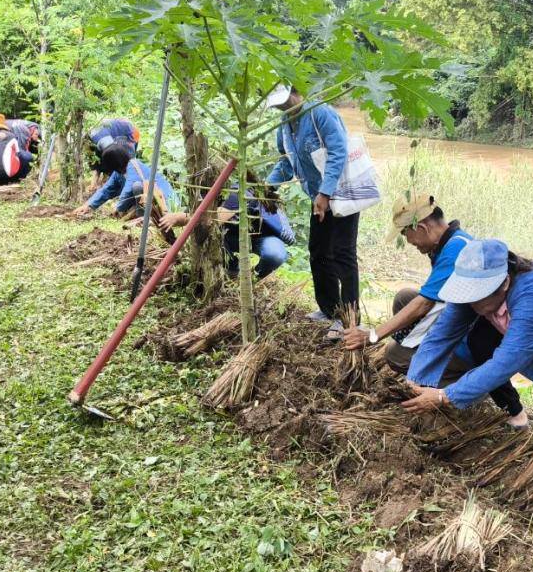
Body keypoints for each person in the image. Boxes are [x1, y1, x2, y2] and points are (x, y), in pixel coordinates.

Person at [402, 238, 533, 466]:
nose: (470, 301)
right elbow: (442, 334)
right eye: (468, 292)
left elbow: (506, 361)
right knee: (480, 341)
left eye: (477, 293)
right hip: (530, 312)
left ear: (504, 283)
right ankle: (515, 413)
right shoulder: (474, 293)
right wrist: (415, 382)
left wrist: (445, 396)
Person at [341, 193, 484, 391]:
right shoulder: (450, 242)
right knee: (404, 298)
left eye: (411, 240)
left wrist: (373, 335)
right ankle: (425, 356)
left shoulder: (456, 250)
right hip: (458, 321)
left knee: (395, 354)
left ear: (422, 228)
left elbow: (424, 304)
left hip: (471, 342)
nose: (413, 245)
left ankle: (460, 385)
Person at [264, 84, 356, 340]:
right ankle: (329, 309)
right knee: (318, 252)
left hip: (339, 194)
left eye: (285, 102)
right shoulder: (284, 124)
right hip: (317, 198)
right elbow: (286, 162)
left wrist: (326, 193)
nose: (283, 108)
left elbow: (339, 152)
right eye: (278, 106)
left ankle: (349, 320)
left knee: (342, 254)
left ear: (295, 92)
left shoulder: (320, 114)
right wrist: (267, 187)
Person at [161, 185, 293, 280]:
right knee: (208, 232)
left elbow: (215, 218)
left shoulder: (238, 192)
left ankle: (256, 278)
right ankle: (232, 270)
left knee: (274, 255)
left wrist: (179, 217)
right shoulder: (201, 195)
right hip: (230, 237)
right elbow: (198, 220)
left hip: (261, 236)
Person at [76, 143, 175, 218]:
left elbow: (128, 190)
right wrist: (88, 205)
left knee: (137, 186)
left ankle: (143, 218)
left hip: (165, 202)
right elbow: (106, 190)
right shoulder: (118, 173)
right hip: (149, 203)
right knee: (136, 188)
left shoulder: (133, 166)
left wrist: (118, 208)